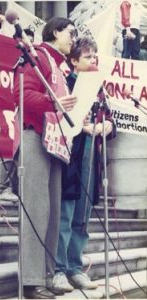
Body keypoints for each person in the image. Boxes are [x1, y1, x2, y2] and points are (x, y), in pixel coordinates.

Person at [13, 17, 77, 299]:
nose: (73, 39)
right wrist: (54, 102)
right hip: (35, 135)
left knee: (51, 211)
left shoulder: (60, 67)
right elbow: (21, 95)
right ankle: (30, 280)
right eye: (70, 33)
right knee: (37, 210)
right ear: (55, 32)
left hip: (55, 141)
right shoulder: (37, 56)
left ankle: (48, 274)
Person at [52, 37, 116, 292]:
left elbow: (111, 121)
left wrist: (107, 126)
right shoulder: (64, 84)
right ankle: (58, 269)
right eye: (87, 56)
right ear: (74, 60)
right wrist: (81, 127)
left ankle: (74, 267)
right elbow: (58, 117)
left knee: (83, 215)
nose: (93, 60)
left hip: (92, 156)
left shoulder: (100, 89)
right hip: (70, 156)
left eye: (94, 56)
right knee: (65, 214)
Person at [0, 28, 35, 202]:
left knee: (19, 149)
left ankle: (13, 187)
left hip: (23, 109)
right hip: (10, 108)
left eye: (32, 40)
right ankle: (3, 187)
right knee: (9, 147)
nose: (29, 43)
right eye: (27, 39)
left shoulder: (29, 59)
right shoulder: (15, 58)